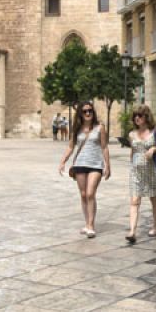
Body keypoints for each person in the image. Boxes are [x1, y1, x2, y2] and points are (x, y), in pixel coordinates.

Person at [57, 102, 110, 238]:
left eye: (90, 111)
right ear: (80, 113)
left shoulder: (100, 128)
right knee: (83, 194)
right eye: (85, 111)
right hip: (80, 164)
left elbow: (104, 147)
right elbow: (70, 147)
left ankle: (91, 225)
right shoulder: (77, 129)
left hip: (96, 164)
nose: (88, 114)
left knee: (90, 193)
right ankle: (87, 223)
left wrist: (108, 165)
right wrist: (63, 161)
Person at [124, 103, 156, 244]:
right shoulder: (131, 134)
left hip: (152, 171)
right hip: (136, 172)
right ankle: (132, 231)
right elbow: (133, 151)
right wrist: (131, 164)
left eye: (140, 115)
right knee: (134, 201)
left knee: (154, 199)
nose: (137, 118)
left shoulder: (155, 132)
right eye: (135, 115)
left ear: (146, 117)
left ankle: (155, 226)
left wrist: (154, 149)